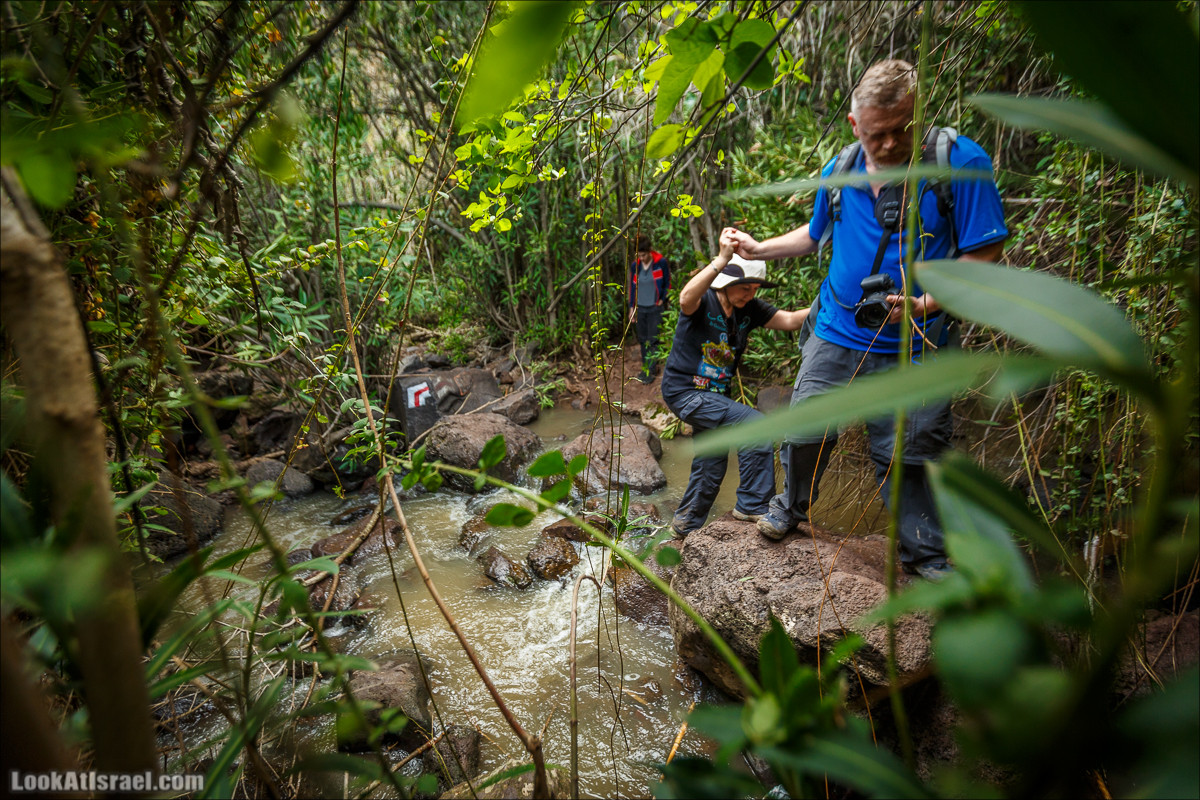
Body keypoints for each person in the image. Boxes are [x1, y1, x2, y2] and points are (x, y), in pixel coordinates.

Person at [729, 59, 1007, 580]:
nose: (889, 143)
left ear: (919, 114)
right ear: (856, 126)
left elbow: (984, 252)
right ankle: (791, 507)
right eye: (877, 133)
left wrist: (925, 305)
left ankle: (923, 555)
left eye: (903, 128)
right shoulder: (841, 168)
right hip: (837, 328)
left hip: (918, 340)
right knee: (806, 428)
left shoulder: (957, 162)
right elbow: (815, 236)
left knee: (909, 452)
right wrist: (759, 247)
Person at [662, 228, 809, 537]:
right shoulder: (703, 303)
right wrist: (721, 259)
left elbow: (791, 320)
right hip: (686, 393)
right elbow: (684, 297)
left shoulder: (749, 309)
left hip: (715, 399)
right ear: (727, 283)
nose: (751, 293)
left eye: (755, 288)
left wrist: (832, 301)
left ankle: (685, 526)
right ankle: (754, 505)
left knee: (712, 462)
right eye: (745, 287)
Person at [628, 233, 672, 383]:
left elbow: (668, 283)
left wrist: (662, 299)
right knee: (643, 340)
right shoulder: (636, 266)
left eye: (644, 255)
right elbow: (633, 287)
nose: (642, 258)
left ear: (649, 251)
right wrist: (631, 308)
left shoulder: (661, 262)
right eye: (639, 255)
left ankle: (652, 370)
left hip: (654, 308)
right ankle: (646, 368)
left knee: (653, 340)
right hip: (640, 308)